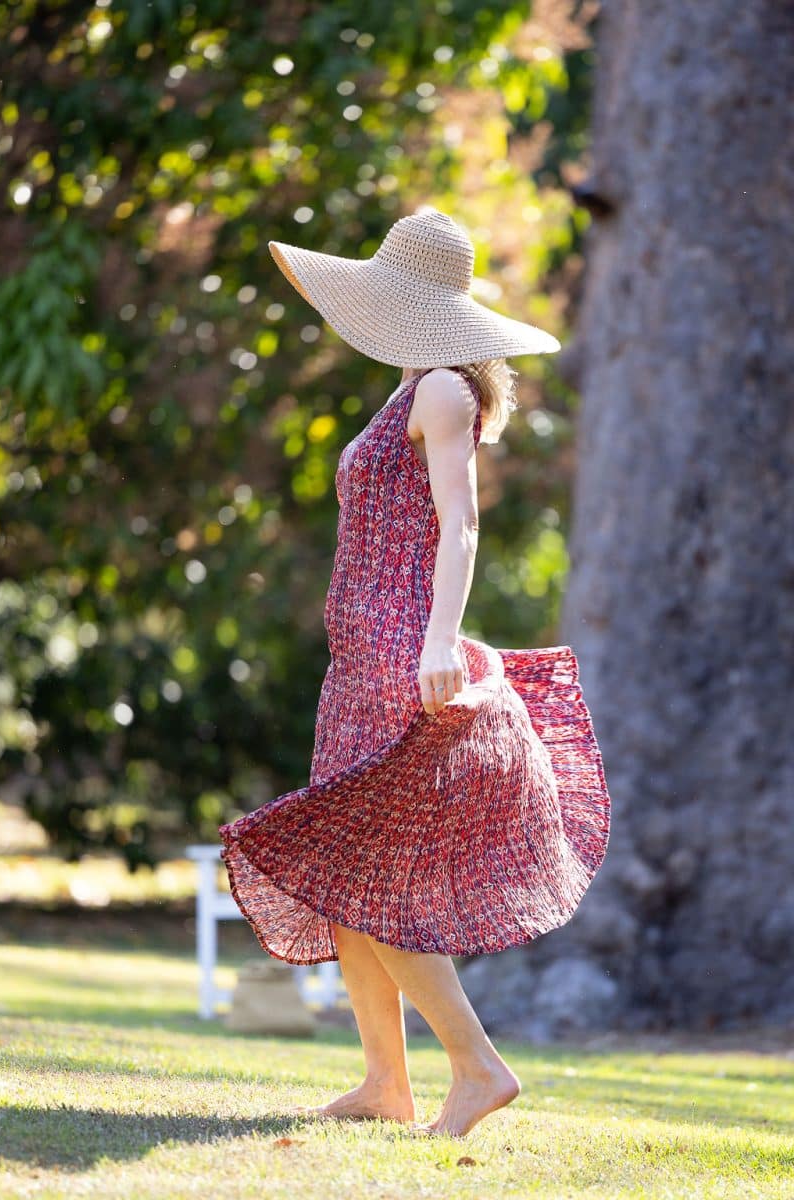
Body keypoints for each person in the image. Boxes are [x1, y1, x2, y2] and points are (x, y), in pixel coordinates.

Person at [219, 206, 611, 1138]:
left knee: (367, 869)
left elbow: (461, 525)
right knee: (350, 874)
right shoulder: (410, 388)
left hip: (399, 655)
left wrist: (441, 641)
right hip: (357, 659)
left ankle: (477, 1069)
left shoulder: (441, 389)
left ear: (414, 303)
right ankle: (384, 1084)